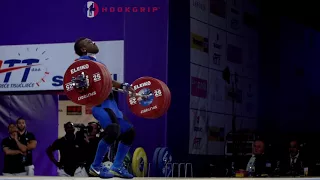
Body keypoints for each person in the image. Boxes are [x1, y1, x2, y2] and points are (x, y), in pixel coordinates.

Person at [74, 37, 136, 178]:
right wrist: (81, 83)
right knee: (113, 131)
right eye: (89, 42)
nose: (93, 42)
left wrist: (122, 86)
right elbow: (77, 84)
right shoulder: (80, 64)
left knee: (129, 132)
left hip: (112, 104)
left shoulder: (97, 63)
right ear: (83, 49)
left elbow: (107, 80)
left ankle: (117, 167)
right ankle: (95, 167)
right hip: (100, 104)